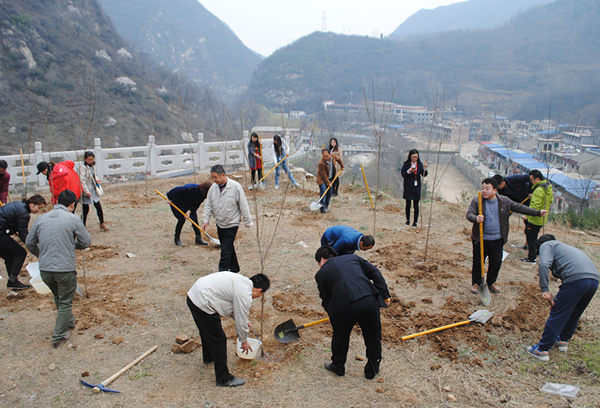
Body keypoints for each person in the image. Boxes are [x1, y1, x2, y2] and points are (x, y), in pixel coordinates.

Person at [25, 190, 92, 348]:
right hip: (64, 269)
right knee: (66, 302)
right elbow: (86, 241)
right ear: (72, 205)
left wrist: (42, 254)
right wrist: (73, 246)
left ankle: (69, 322)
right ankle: (59, 335)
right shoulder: (72, 218)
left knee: (58, 296)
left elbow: (29, 243)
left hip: (46, 269)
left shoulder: (41, 218)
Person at [315, 246, 390, 379]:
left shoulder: (320, 274)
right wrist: (384, 295)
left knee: (340, 336)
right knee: (373, 336)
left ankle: (338, 366)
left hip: (345, 307)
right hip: (369, 300)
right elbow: (375, 273)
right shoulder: (353, 258)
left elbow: (326, 299)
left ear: (321, 260)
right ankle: (372, 369)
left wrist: (332, 315)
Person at [187, 272, 270, 387]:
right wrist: (244, 341)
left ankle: (209, 357)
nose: (258, 298)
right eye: (261, 295)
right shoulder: (244, 295)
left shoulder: (242, 282)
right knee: (219, 339)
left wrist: (245, 321)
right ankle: (223, 378)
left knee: (206, 331)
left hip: (193, 295)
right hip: (203, 302)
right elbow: (240, 320)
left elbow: (234, 308)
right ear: (259, 290)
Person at [466, 178, 547, 295]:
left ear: (495, 190)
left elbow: (520, 207)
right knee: (478, 262)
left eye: (487, 188)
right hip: (481, 239)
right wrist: (475, 218)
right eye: (483, 188)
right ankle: (477, 283)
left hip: (498, 239)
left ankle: (491, 283)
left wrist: (538, 212)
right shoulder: (477, 201)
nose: (484, 191)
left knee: (496, 262)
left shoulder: (505, 201)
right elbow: (469, 214)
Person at [527, 235, 599, 361]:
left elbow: (544, 265)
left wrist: (545, 289)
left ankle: (542, 350)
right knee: (574, 313)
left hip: (577, 280)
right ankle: (563, 340)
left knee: (557, 315)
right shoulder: (565, 247)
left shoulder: (546, 245)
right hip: (593, 280)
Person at [202, 165, 253, 273]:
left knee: (225, 250)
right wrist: (205, 220)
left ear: (223, 175)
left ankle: (222, 272)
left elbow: (243, 204)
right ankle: (235, 269)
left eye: (215, 177)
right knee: (228, 247)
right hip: (220, 223)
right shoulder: (213, 188)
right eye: (212, 177)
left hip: (232, 223)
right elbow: (208, 205)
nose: (214, 180)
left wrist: (247, 221)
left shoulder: (235, 187)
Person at [0, 195, 46, 290]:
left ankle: (13, 282)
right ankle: (13, 281)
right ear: (32, 204)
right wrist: (35, 248)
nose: (38, 211)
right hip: (1, 233)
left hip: (2, 231)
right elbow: (23, 234)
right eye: (39, 207)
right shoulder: (24, 214)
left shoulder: (19, 204)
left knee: (9, 256)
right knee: (20, 252)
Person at [522, 170, 553, 264]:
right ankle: (538, 251)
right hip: (542, 219)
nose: (531, 182)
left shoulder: (539, 190)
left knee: (531, 236)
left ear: (537, 179)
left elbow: (535, 206)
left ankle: (532, 257)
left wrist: (526, 215)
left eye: (532, 179)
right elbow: (550, 201)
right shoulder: (548, 189)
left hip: (535, 219)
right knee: (532, 235)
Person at [79, 151, 108, 231]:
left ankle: (102, 223)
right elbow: (82, 181)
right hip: (87, 190)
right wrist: (86, 191)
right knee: (85, 209)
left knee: (98, 207)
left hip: (93, 189)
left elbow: (93, 175)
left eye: (91, 159)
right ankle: (83, 225)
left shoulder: (92, 166)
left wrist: (97, 180)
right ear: (85, 159)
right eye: (89, 160)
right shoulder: (83, 167)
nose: (90, 161)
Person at [401, 149, 428, 228]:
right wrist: (409, 171)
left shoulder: (419, 164)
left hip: (416, 187)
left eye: (416, 157)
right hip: (408, 186)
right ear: (410, 157)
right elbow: (403, 174)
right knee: (408, 204)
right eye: (413, 157)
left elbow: (424, 174)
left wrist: (425, 168)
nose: (414, 158)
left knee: (416, 205)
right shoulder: (406, 164)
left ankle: (415, 222)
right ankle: (408, 220)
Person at [316, 149, 344, 214]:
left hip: (330, 178)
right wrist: (328, 182)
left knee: (329, 193)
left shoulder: (333, 157)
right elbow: (323, 174)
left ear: (330, 155)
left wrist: (342, 166)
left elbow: (339, 159)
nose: (325, 158)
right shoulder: (321, 163)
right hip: (322, 179)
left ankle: (326, 206)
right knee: (323, 192)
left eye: (327, 156)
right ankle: (322, 208)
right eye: (324, 156)